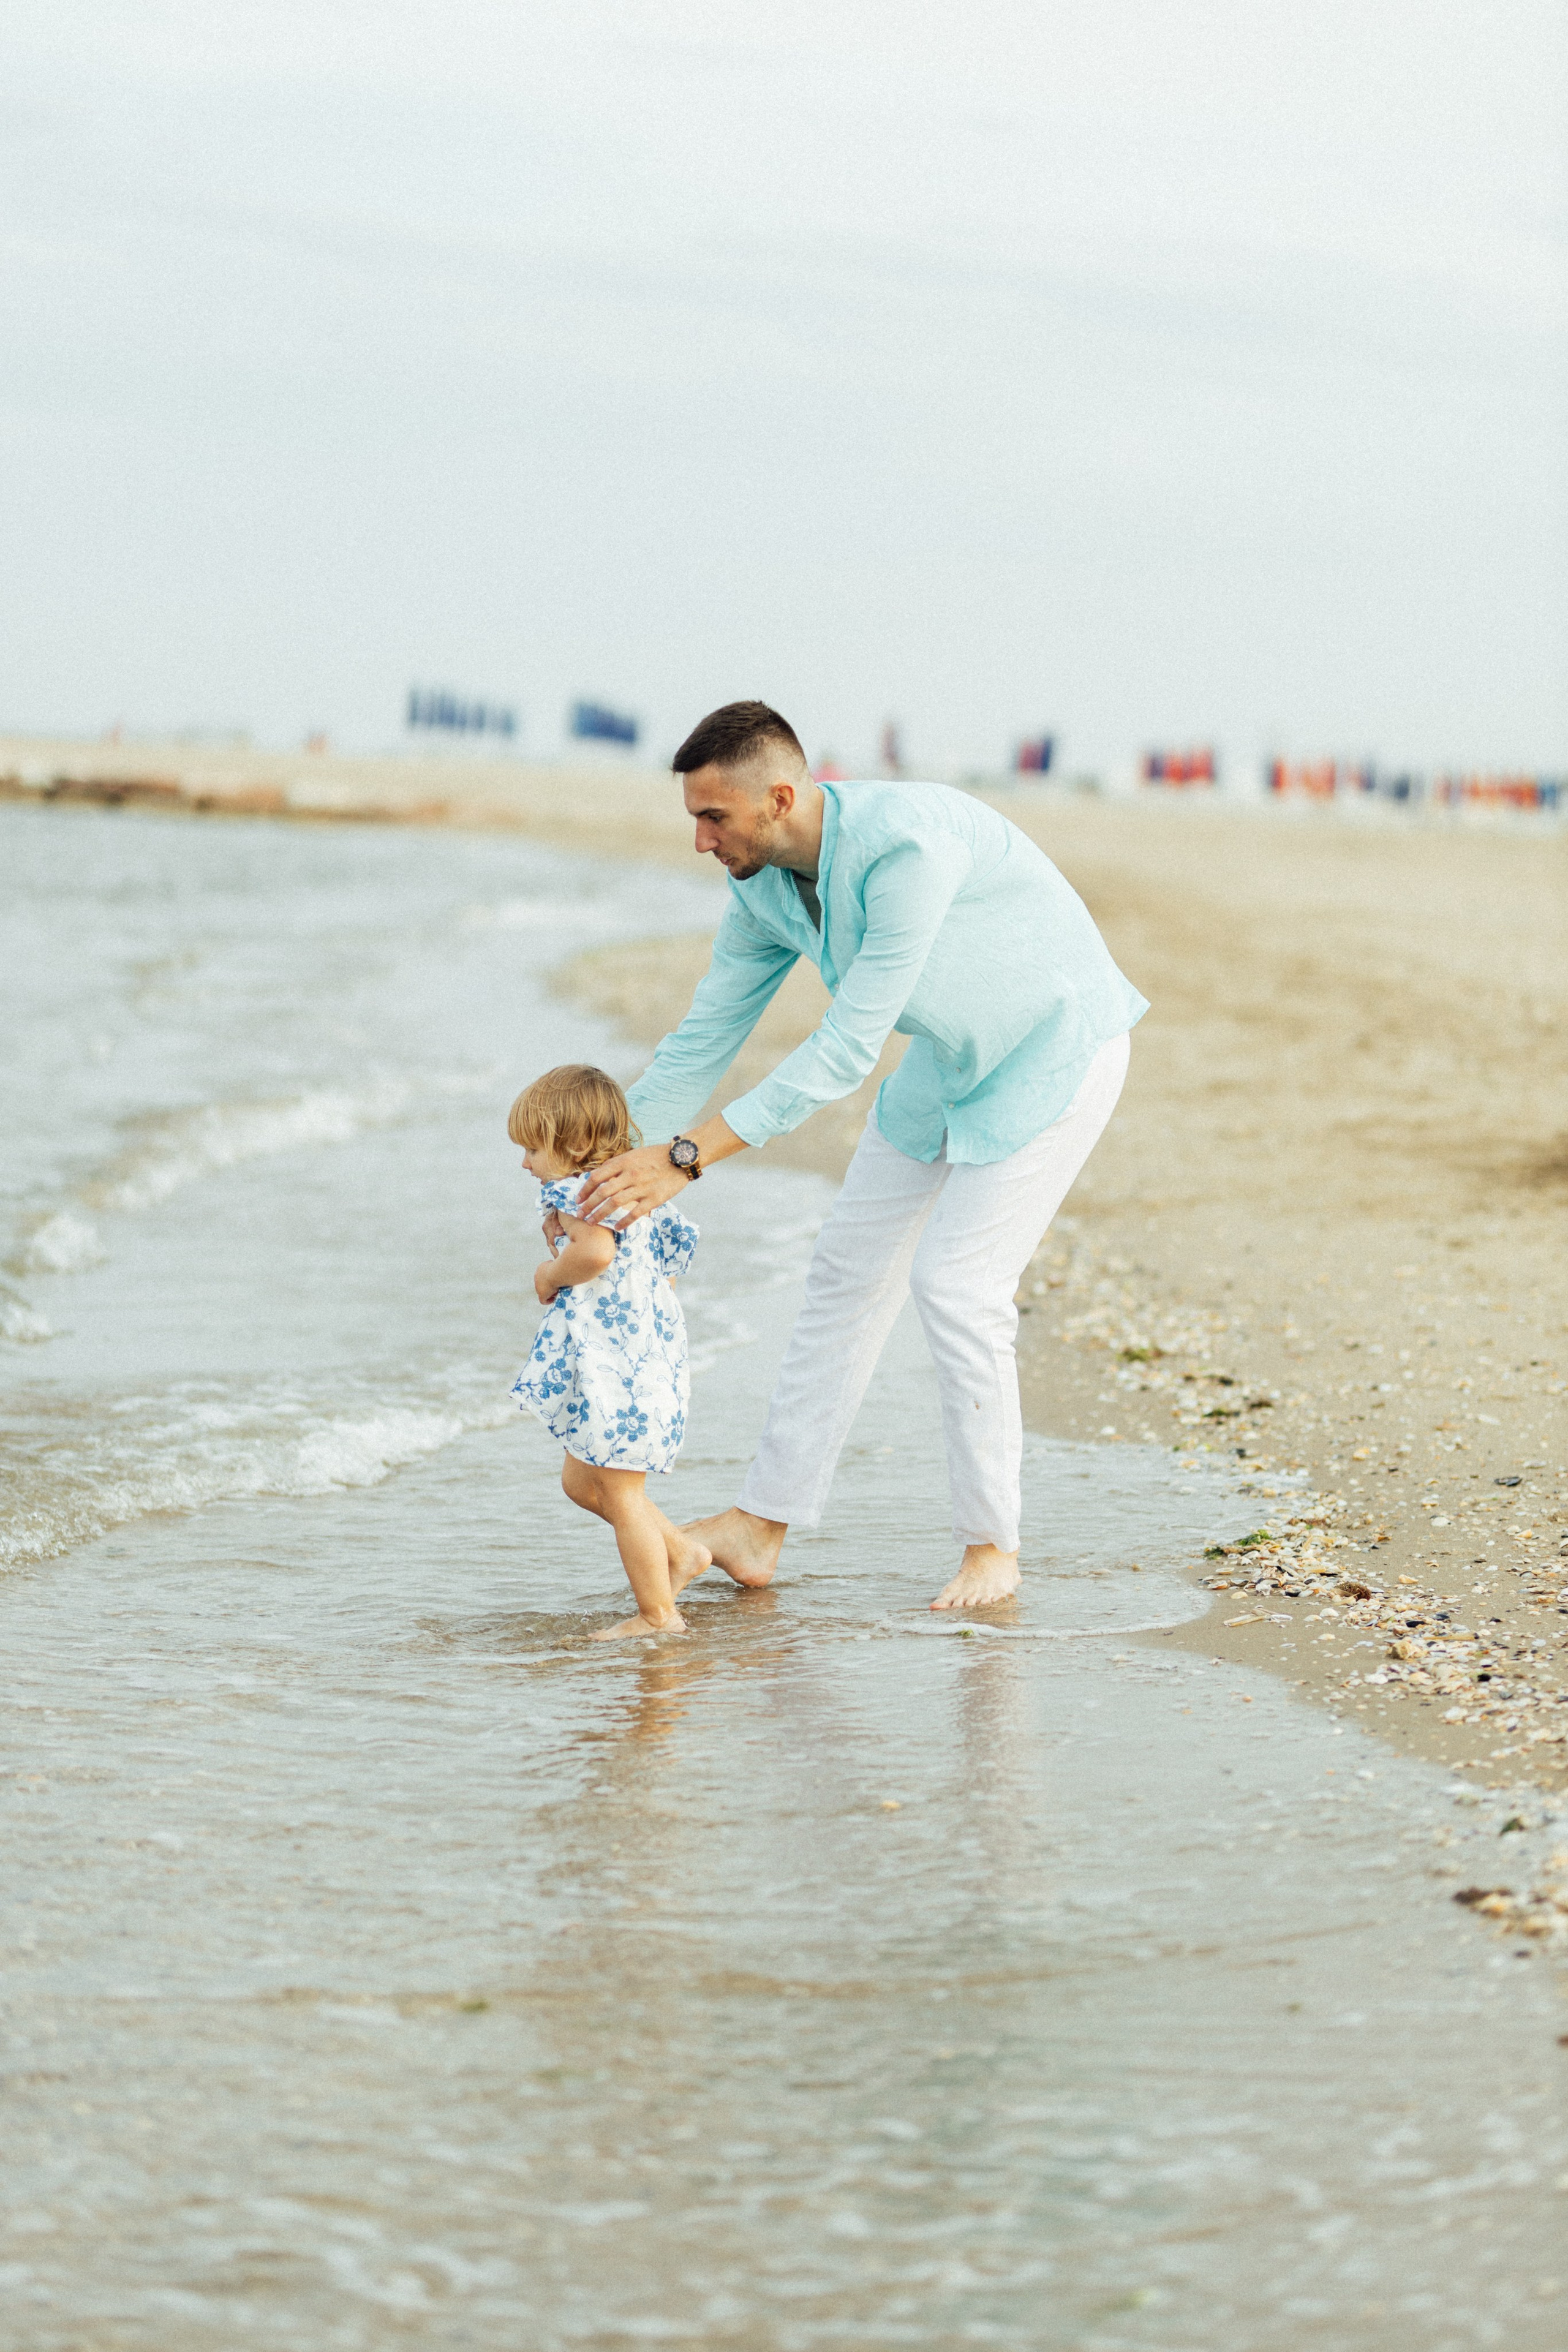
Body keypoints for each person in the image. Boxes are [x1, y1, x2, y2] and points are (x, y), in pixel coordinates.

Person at [578, 702, 1149, 1612]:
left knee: (957, 1285)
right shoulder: (762, 883)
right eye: (693, 816)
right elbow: (704, 1037)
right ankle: (761, 1527)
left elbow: (846, 1049)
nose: (699, 839)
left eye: (714, 817)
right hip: (948, 1061)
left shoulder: (905, 850)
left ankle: (992, 1548)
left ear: (780, 796)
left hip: (1057, 1048)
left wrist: (685, 1160)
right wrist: (597, 1168)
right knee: (846, 1269)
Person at [508, 1065, 709, 1640]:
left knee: (622, 1493)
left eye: (531, 1147)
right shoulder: (639, 1189)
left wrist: (551, 1275)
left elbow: (594, 1253)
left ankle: (658, 1615)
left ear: (572, 1147)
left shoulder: (575, 1192)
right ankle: (682, 1552)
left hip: (617, 1364)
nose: (525, 1163)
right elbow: (668, 1266)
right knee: (582, 1481)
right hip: (647, 1353)